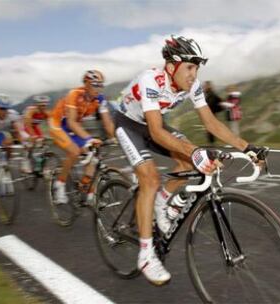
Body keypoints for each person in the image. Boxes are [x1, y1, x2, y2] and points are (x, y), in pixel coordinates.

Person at [115, 35, 267, 285]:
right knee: (150, 179)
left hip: (154, 123)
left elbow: (210, 122)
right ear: (172, 66)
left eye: (196, 68)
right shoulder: (151, 79)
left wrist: (247, 147)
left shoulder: (192, 85)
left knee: (190, 160)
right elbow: (155, 132)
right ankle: (145, 254)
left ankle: (162, 202)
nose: (194, 75)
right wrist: (194, 150)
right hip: (129, 125)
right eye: (189, 67)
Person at [48, 70, 115, 204]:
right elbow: (72, 122)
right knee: (74, 151)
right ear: (86, 84)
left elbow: (107, 122)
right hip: (58, 125)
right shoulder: (74, 94)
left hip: (73, 127)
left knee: (94, 155)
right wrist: (88, 139)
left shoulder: (100, 99)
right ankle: (59, 184)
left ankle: (87, 190)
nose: (98, 89)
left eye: (100, 85)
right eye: (94, 85)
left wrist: (114, 137)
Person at [22, 95, 51, 173]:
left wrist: (54, 134)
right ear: (36, 105)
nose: (43, 107)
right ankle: (25, 162)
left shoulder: (46, 113)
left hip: (35, 127)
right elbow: (27, 125)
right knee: (31, 142)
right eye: (41, 105)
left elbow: (52, 125)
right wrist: (33, 136)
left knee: (43, 143)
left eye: (44, 105)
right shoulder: (31, 110)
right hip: (25, 126)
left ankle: (42, 164)